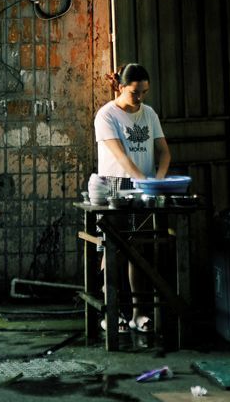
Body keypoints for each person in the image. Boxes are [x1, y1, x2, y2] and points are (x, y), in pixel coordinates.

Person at [93, 62, 171, 334]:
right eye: (135, 93)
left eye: (144, 92)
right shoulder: (106, 116)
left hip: (145, 186)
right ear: (120, 87)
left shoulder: (149, 114)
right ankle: (112, 314)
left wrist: (157, 181)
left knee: (139, 251)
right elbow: (120, 157)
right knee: (112, 250)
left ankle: (139, 314)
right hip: (116, 185)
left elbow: (164, 152)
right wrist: (142, 180)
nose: (140, 98)